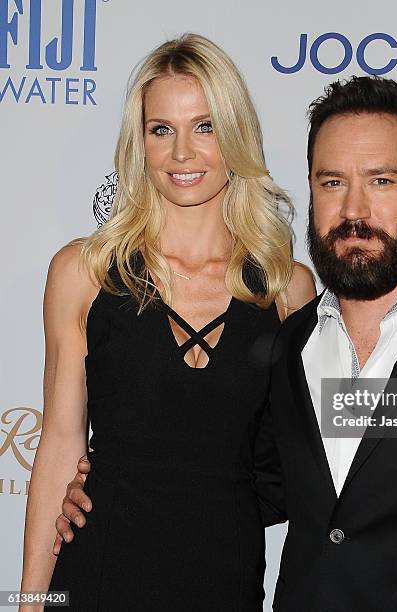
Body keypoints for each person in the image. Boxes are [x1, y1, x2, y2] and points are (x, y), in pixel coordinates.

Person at [57, 76, 397, 611]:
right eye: (332, 182)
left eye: (381, 181)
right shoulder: (291, 343)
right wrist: (114, 484)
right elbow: (248, 483)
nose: (354, 209)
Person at [20, 33, 314, 611]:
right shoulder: (84, 272)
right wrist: (29, 601)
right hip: (102, 570)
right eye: (162, 130)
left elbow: (301, 461)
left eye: (204, 127)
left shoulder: (286, 288)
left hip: (223, 576)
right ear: (140, 144)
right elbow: (58, 445)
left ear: (235, 136)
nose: (182, 153)